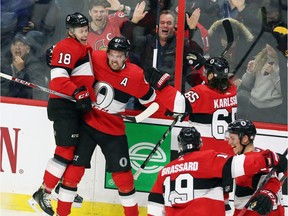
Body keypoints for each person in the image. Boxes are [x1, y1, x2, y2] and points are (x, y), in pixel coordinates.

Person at [54, 36, 158, 216]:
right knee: (72, 174)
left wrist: (159, 110)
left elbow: (152, 101)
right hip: (88, 122)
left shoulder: (135, 74)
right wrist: (55, 59)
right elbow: (73, 56)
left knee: (124, 179)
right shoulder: (95, 57)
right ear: (107, 53)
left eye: (120, 56)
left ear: (126, 57)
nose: (115, 59)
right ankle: (61, 213)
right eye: (113, 54)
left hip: (113, 130)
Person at [144, 56, 238, 209]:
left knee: (199, 199)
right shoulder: (232, 89)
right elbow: (212, 87)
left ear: (211, 75)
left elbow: (180, 105)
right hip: (227, 156)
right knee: (222, 198)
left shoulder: (201, 92)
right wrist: (202, 69)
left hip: (206, 157)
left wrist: (161, 85)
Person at [28, 12, 94, 216]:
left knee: (73, 153)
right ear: (70, 31)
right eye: (80, 30)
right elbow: (57, 80)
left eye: (86, 30)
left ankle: (59, 186)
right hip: (64, 106)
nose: (84, 34)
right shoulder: (66, 46)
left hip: (74, 107)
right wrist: (77, 91)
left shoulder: (81, 48)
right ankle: (43, 192)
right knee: (65, 151)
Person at [147, 126, 280, 216]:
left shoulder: (164, 171)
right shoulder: (209, 158)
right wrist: (271, 158)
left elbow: (154, 208)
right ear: (200, 143)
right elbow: (245, 164)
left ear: (180, 146)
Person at [121, 6, 203, 92]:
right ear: (158, 25)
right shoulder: (147, 41)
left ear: (174, 26)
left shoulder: (181, 44)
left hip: (172, 93)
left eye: (169, 23)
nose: (165, 26)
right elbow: (126, 40)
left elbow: (196, 53)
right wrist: (134, 21)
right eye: (162, 22)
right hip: (148, 93)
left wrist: (192, 29)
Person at [226, 119, 287, 215]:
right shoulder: (262, 154)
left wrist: (268, 193)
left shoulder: (249, 164)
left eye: (233, 138)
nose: (229, 142)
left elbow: (271, 181)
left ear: (245, 139)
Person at [237, 44, 283, 123]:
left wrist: (274, 74)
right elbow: (245, 84)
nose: (270, 45)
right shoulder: (260, 59)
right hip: (253, 106)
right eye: (269, 43)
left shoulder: (284, 64)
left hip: (273, 109)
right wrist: (249, 72)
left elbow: (284, 91)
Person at [1, 32, 47, 100]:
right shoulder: (4, 65)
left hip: (26, 104)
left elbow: (36, 91)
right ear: (11, 48)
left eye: (21, 45)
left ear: (28, 49)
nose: (17, 47)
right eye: (14, 44)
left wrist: (21, 71)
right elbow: (3, 89)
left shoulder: (35, 66)